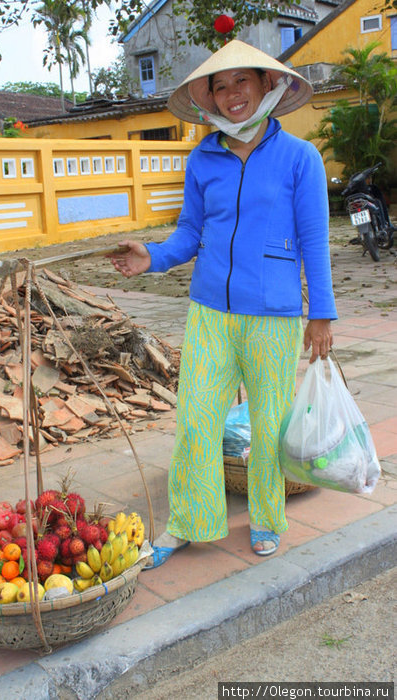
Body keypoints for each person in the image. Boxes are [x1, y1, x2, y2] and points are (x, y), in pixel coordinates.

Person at [109, 40, 337, 567]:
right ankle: (189, 520)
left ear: (266, 86)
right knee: (195, 418)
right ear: (208, 98)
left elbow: (315, 240)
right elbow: (190, 231)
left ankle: (266, 518)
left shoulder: (298, 158)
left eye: (242, 82)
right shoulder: (202, 158)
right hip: (209, 311)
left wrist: (321, 313)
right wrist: (155, 257)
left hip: (274, 316)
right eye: (220, 85)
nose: (232, 94)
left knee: (270, 423)